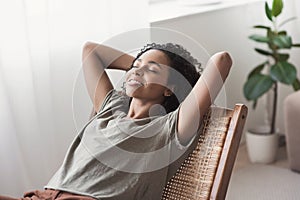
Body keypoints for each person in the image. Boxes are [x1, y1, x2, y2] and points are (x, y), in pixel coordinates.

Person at [0, 42, 232, 200]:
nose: (136, 72)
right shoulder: (110, 108)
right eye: (134, 67)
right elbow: (91, 50)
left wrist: (173, 76)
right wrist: (142, 67)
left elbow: (221, 61)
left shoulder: (169, 128)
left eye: (150, 69)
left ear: (171, 89)